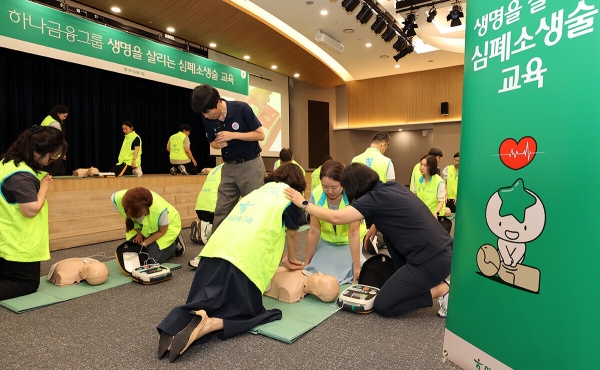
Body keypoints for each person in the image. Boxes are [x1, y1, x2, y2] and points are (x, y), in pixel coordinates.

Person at [156, 163, 306, 363]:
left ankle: (174, 323)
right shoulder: (290, 198)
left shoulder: (257, 193)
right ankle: (209, 325)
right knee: (254, 313)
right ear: (298, 183)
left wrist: (282, 258)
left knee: (204, 301)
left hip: (213, 253)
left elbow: (260, 226)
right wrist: (293, 259)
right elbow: (292, 233)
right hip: (243, 260)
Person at [284, 163, 452, 318]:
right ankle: (427, 282)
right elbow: (398, 212)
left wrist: (304, 203)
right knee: (387, 237)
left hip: (431, 262)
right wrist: (377, 225)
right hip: (444, 252)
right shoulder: (391, 187)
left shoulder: (373, 199)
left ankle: (440, 290)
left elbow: (336, 217)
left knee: (384, 305)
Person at [0, 125, 66, 300]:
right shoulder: (21, 176)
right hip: (18, 242)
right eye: (52, 155)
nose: (54, 159)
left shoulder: (8, 162)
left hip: (6, 237)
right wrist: (44, 186)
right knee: (26, 283)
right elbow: (31, 210)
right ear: (37, 152)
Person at [190, 84, 266, 233]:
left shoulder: (241, 108)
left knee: (257, 210)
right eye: (202, 113)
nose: (205, 116)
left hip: (250, 165)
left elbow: (260, 134)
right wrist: (219, 144)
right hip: (228, 168)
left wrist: (233, 135)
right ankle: (214, 254)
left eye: (207, 112)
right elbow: (213, 143)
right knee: (221, 212)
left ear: (218, 102)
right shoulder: (207, 118)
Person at [304, 160, 366, 284]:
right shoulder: (316, 195)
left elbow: (353, 233)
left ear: (343, 183)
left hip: (349, 242)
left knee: (355, 272)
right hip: (327, 241)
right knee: (315, 272)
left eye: (334, 187)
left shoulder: (353, 194)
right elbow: (314, 231)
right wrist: (306, 262)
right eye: (325, 186)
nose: (329, 191)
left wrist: (357, 267)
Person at [111, 187, 185, 264]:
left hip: (166, 227)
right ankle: (151, 242)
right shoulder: (116, 199)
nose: (139, 216)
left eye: (143, 214)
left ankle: (174, 243)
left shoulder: (159, 210)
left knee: (150, 261)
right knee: (130, 254)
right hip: (145, 226)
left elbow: (161, 232)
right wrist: (139, 234)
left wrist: (144, 243)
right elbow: (130, 219)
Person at [189, 164, 223, 251]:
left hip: (200, 207)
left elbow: (206, 169)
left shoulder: (217, 168)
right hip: (212, 209)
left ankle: (203, 226)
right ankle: (208, 229)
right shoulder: (233, 169)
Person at [264, 266, 339, 303]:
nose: (319, 273)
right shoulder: (306, 274)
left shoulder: (291, 291)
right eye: (323, 275)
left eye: (320, 279)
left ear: (316, 292)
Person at [40, 105, 69, 176]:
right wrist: (61, 154)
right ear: (58, 113)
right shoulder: (55, 123)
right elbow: (57, 140)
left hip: (44, 150)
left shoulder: (47, 119)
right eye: (64, 116)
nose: (64, 118)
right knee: (58, 172)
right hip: (53, 152)